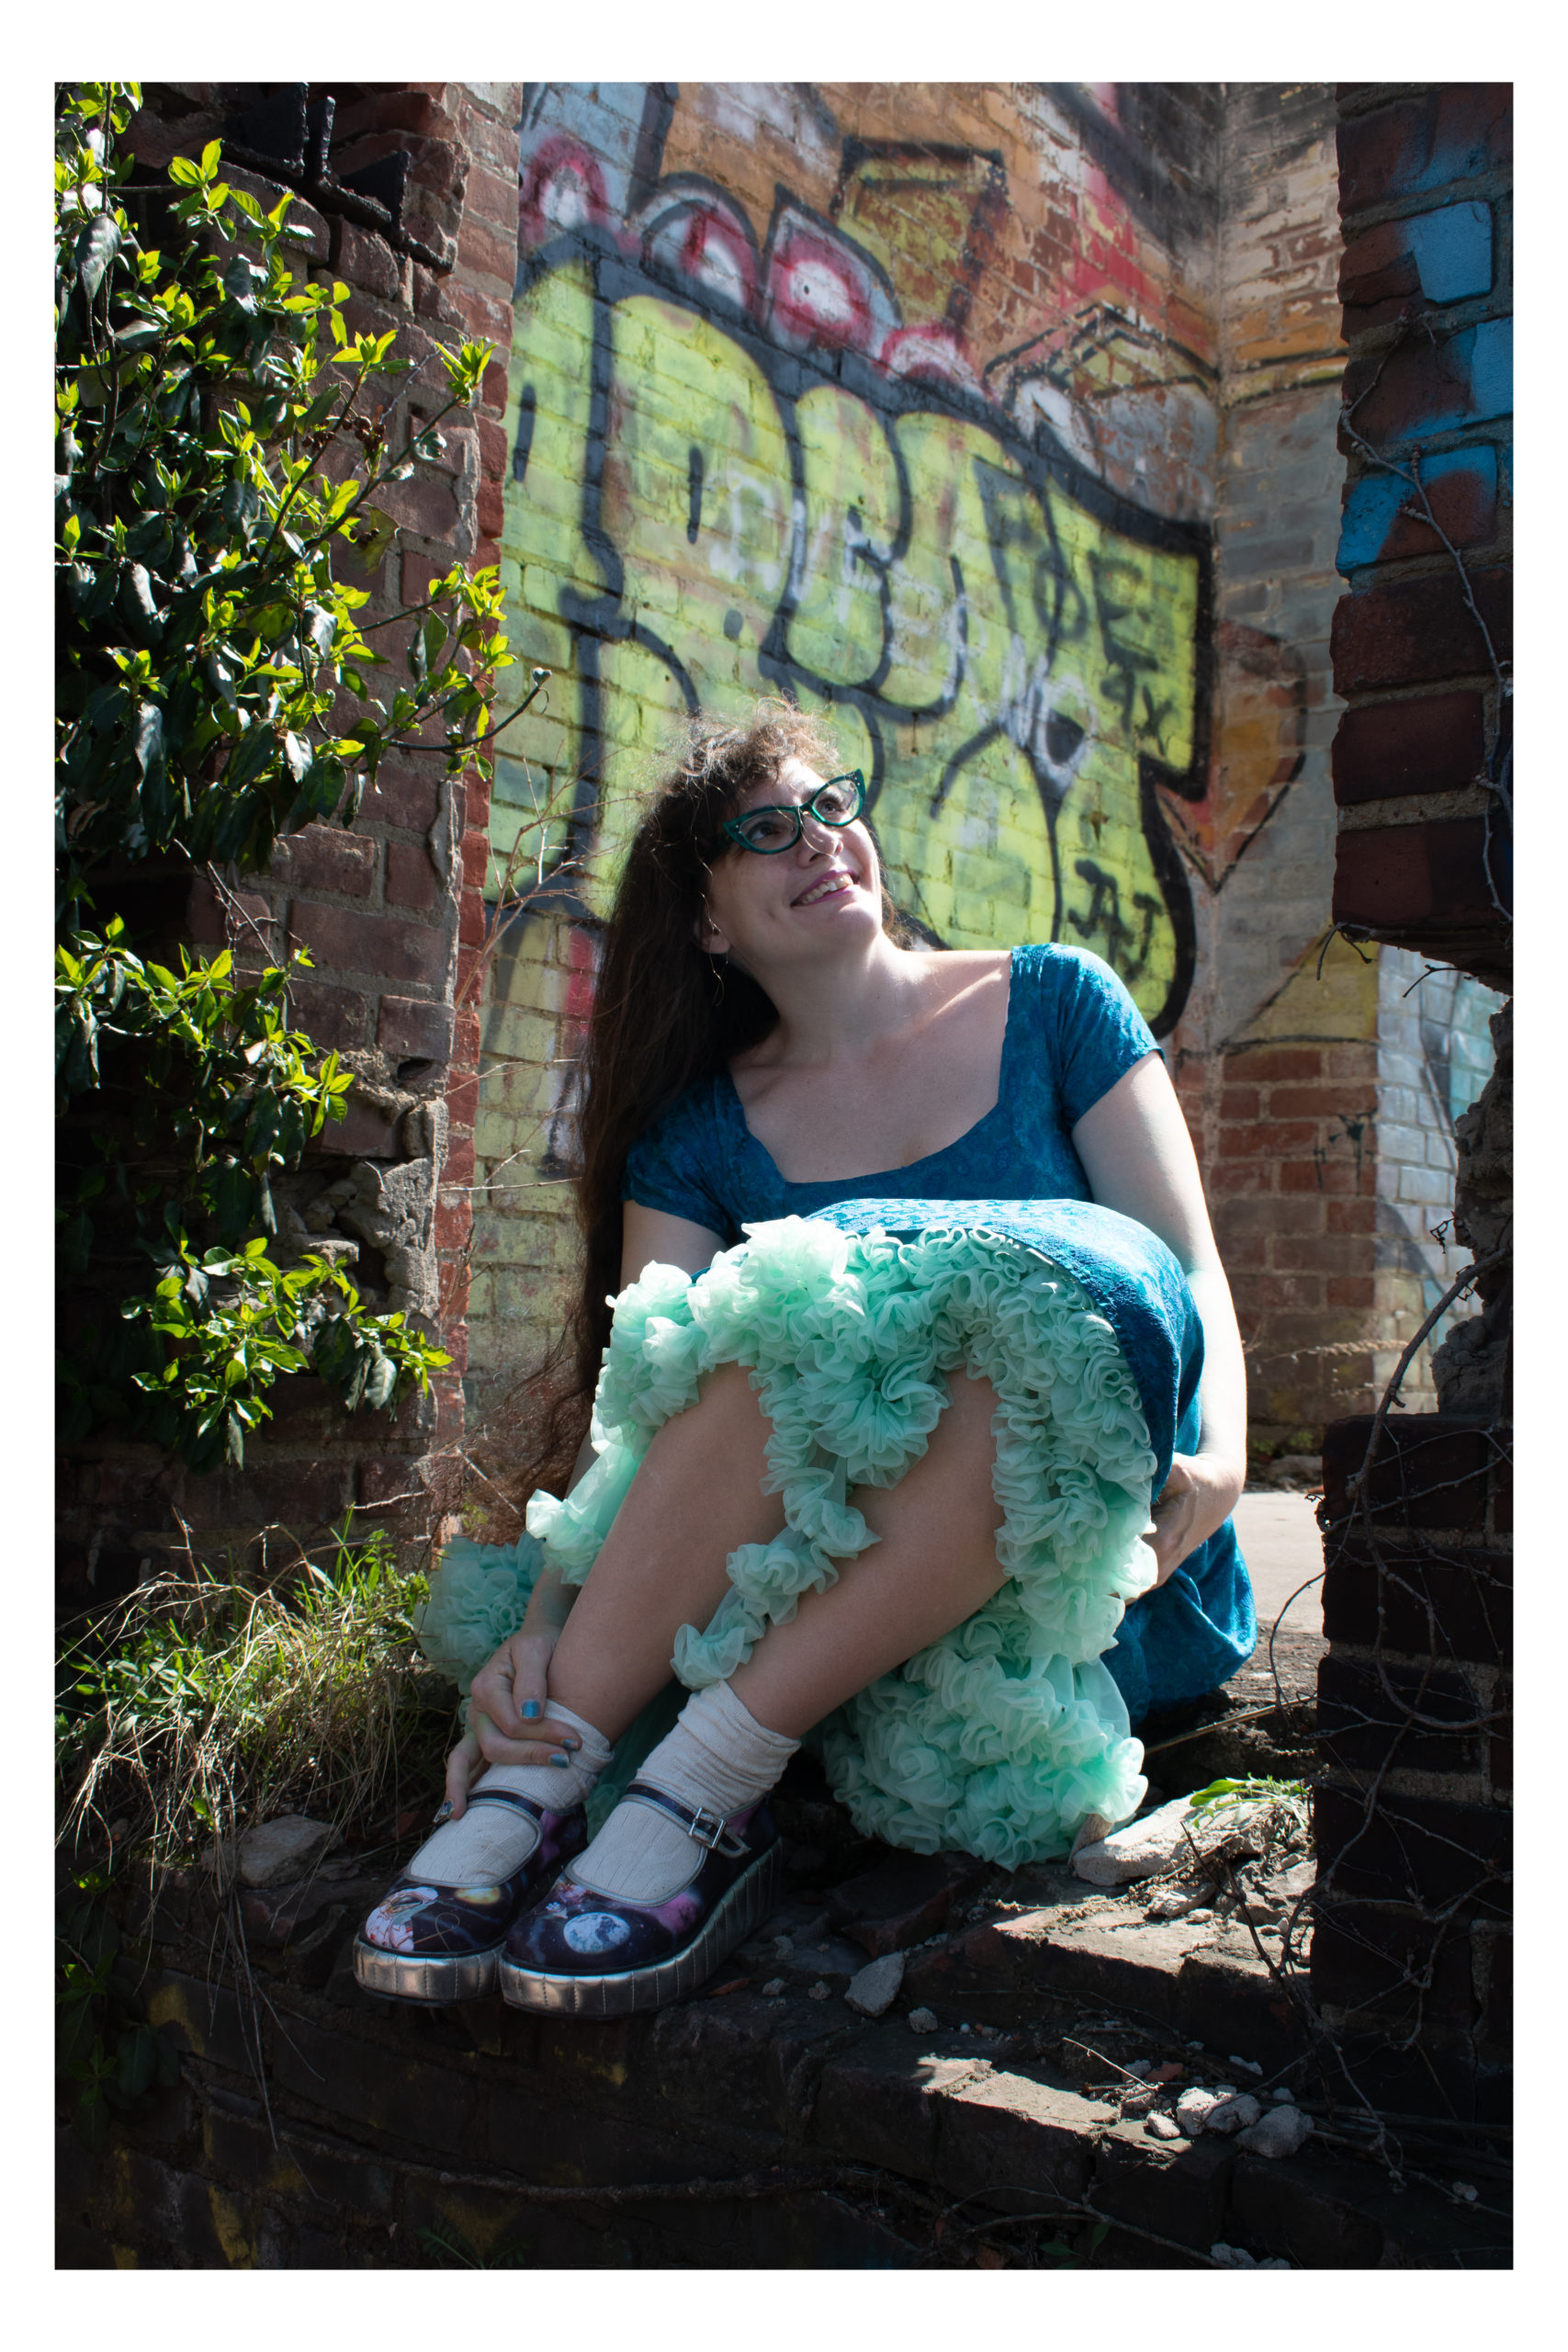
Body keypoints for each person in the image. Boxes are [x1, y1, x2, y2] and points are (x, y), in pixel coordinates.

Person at [355, 702, 1253, 2017]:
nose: (819, 840)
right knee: (743, 1336)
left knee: (1038, 1299)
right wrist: (545, 1638)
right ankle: (538, 1779)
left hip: (1093, 1566)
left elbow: (1188, 1266)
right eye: (766, 831)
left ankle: (703, 1789)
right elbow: (645, 1412)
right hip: (844, 1591)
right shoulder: (701, 1134)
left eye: (833, 806)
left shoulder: (1053, 1005)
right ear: (709, 920)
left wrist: (1224, 1452)